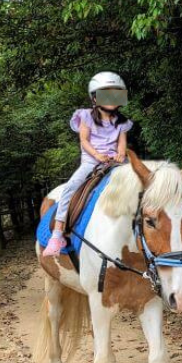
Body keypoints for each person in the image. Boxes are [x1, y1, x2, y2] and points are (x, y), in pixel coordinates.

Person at [43, 71, 133, 257]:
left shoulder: (122, 121)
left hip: (116, 162)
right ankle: (58, 232)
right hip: (92, 162)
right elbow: (84, 141)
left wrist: (121, 154)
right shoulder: (85, 116)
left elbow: (122, 142)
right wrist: (97, 155)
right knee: (70, 188)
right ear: (95, 98)